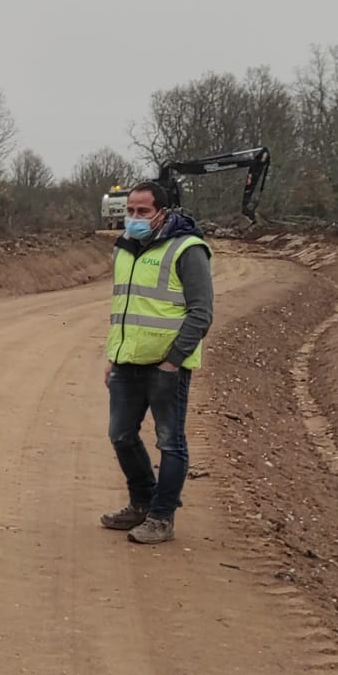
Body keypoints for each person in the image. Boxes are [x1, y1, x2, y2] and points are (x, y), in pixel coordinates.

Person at [100, 179, 214, 545]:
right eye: (129, 211)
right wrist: (112, 355)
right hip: (125, 362)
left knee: (170, 442)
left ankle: (162, 517)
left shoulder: (188, 249)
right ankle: (142, 503)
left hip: (167, 367)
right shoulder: (124, 249)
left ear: (162, 212)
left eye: (142, 211)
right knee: (120, 434)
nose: (133, 218)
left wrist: (173, 361)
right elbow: (122, 309)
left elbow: (201, 312)